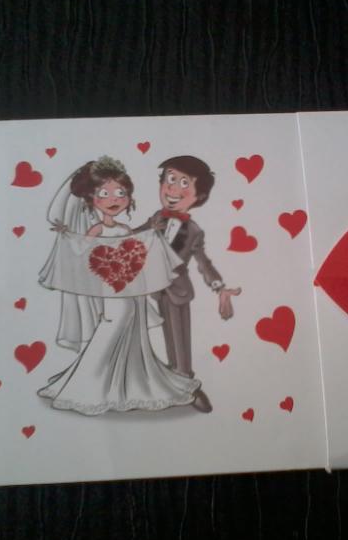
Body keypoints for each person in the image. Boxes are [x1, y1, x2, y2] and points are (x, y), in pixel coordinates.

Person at [37, 156, 206, 415]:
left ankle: (127, 383)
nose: (113, 199)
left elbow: (138, 248)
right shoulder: (96, 230)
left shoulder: (126, 229)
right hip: (112, 293)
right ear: (92, 199)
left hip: (131, 293)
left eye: (120, 193)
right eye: (104, 194)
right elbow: (81, 250)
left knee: (132, 332)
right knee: (111, 327)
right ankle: (88, 384)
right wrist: (68, 236)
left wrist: (148, 235)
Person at [135, 155, 241, 413]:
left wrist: (219, 288)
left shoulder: (193, 230)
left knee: (180, 340)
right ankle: (169, 381)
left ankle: (189, 387)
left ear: (198, 196)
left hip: (178, 290)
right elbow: (134, 238)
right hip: (155, 290)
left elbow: (204, 263)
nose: (173, 188)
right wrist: (122, 231)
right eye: (170, 179)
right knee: (162, 338)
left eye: (184, 183)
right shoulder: (156, 218)